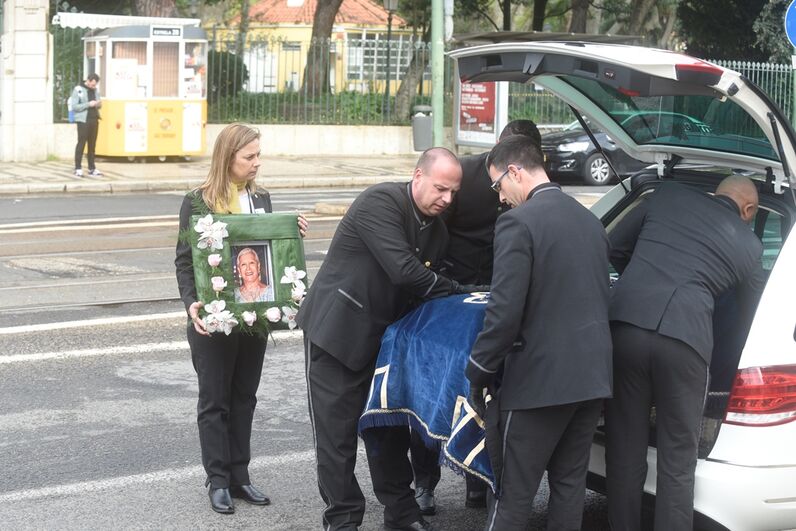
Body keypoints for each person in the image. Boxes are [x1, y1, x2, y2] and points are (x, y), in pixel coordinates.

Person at [297, 147, 482, 531]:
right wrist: (454, 287)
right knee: (337, 437)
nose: (446, 199)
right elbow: (404, 271)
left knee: (389, 431)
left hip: (388, 341)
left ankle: (401, 513)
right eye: (440, 189)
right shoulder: (380, 201)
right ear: (418, 176)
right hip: (338, 334)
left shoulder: (439, 229)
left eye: (453, 193)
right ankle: (343, 519)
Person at [465, 136, 613, 530]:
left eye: (498, 185)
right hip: (592, 378)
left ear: (515, 172)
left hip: (538, 383)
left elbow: (504, 310)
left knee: (512, 494)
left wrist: (477, 371)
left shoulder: (517, 222)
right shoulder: (590, 221)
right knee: (568, 488)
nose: (499, 197)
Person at [605, 176, 765, 531]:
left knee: (624, 451)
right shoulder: (750, 245)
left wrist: (641, 284)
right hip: (685, 343)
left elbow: (611, 246)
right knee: (677, 463)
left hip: (626, 328)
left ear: (716, 193)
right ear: (749, 210)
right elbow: (755, 312)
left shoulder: (665, 197)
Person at [175, 123, 308, 515]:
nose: (256, 163)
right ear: (227, 157)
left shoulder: (261, 198)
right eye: (249, 157)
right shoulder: (197, 202)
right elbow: (184, 262)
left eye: (257, 156)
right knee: (215, 399)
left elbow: (270, 250)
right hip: (212, 319)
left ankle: (240, 475)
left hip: (255, 316)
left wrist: (292, 233)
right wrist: (191, 304)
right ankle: (217, 480)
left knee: (245, 398)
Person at [411, 119, 543, 515]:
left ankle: (476, 480)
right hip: (449, 291)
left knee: (485, 391)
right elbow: (433, 227)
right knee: (435, 383)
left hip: (498, 297)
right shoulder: (462, 176)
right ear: (498, 149)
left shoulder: (532, 185)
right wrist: (440, 283)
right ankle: (425, 482)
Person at [69, 73, 102, 178]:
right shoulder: (78, 90)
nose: (93, 87)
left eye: (95, 85)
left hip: (94, 119)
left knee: (92, 145)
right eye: (92, 85)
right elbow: (74, 106)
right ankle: (78, 168)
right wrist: (88, 104)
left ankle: (92, 168)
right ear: (88, 80)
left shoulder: (95, 90)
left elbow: (99, 103)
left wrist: (98, 103)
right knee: (81, 143)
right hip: (83, 120)